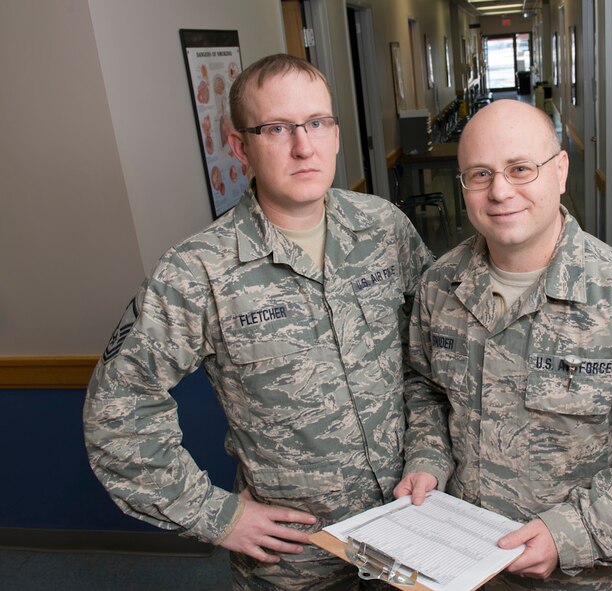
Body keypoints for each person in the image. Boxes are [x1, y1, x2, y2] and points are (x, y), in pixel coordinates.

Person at [84, 54, 434, 590]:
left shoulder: (384, 229)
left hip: (406, 524)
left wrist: (429, 455)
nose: (303, 145)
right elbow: (118, 408)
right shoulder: (198, 270)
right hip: (295, 557)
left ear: (336, 133)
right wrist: (214, 515)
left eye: (317, 123)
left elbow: (430, 361)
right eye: (277, 128)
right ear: (239, 145)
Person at [393, 99, 612, 590]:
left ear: (561, 170)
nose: (500, 191)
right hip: (468, 566)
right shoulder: (441, 286)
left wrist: (568, 533)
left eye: (520, 169)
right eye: (479, 175)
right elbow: (425, 388)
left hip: (589, 578)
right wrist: (427, 459)